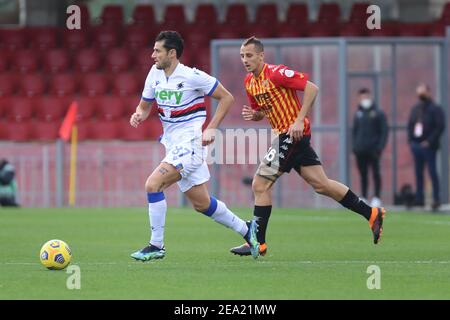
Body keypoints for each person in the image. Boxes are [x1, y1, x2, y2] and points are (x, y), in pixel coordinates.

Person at [230, 37, 385, 257]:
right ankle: (371, 213)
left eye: (249, 55)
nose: (245, 60)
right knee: (322, 185)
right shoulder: (250, 82)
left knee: (260, 184)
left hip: (291, 135)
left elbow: (312, 88)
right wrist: (256, 115)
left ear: (261, 56)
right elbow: (266, 109)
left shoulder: (275, 73)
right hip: (285, 136)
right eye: (242, 56)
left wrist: (299, 120)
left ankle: (257, 242)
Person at [129, 31, 259, 261]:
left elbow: (227, 97)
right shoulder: (154, 74)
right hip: (172, 145)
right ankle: (248, 230)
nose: (152, 55)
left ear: (172, 53)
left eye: (157, 51)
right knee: (201, 203)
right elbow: (144, 106)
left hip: (190, 144)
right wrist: (138, 115)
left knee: (153, 185)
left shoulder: (193, 76)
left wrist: (212, 127)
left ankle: (156, 245)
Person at [407, 83, 445, 211]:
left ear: (428, 92)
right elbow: (410, 125)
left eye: (422, 92)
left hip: (429, 146)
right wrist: (411, 141)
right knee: (418, 173)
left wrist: (429, 141)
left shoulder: (435, 109)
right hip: (416, 145)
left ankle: (436, 198)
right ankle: (419, 198)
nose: (420, 95)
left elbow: (440, 126)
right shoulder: (416, 109)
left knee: (432, 171)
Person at [352, 88, 388, 207]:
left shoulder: (378, 113)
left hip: (374, 150)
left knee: (376, 173)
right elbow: (354, 131)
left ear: (370, 97)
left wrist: (380, 147)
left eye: (366, 97)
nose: (364, 99)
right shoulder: (358, 114)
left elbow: (384, 131)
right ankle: (364, 196)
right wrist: (354, 147)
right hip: (360, 150)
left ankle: (377, 197)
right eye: (362, 97)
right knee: (363, 174)